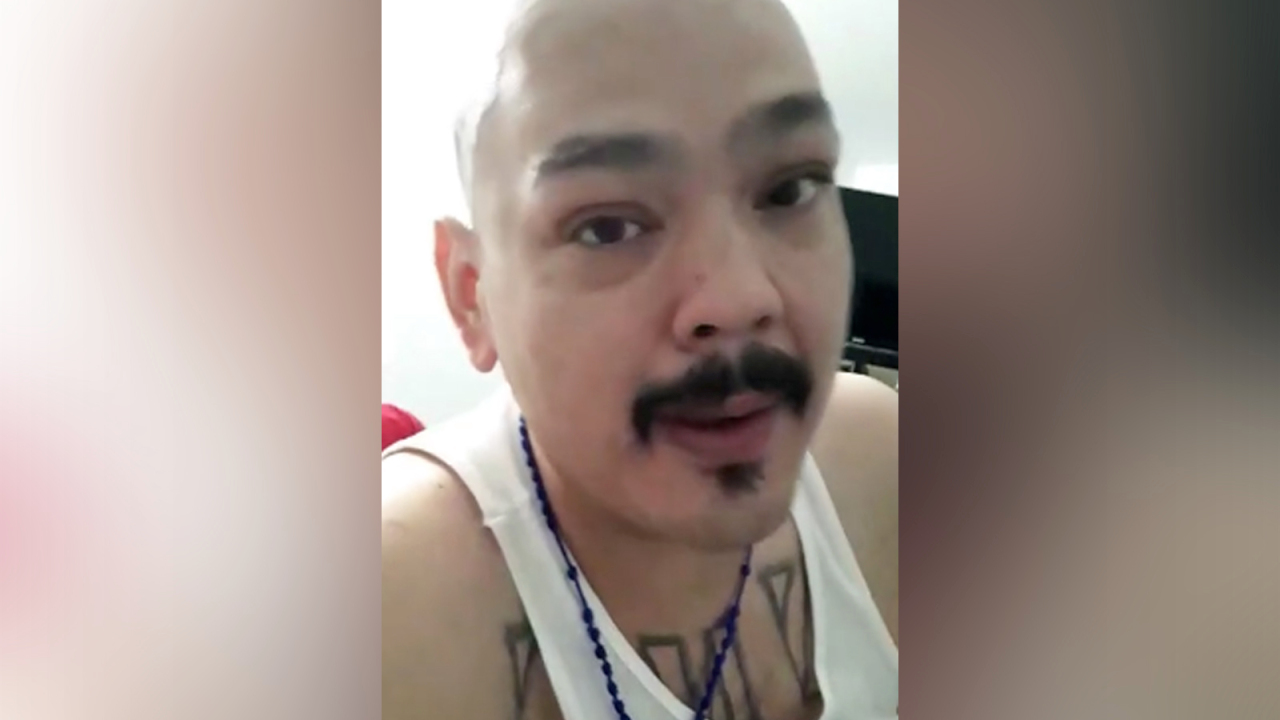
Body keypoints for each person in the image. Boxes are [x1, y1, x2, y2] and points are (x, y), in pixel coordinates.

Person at [382, 0, 898, 717]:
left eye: (789, 190)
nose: (740, 297)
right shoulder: (392, 608)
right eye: (606, 227)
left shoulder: (875, 460)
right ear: (473, 297)